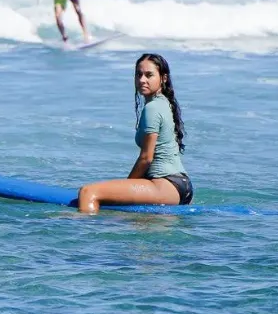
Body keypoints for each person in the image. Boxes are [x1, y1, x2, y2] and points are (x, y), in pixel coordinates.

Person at [77, 53, 192, 213]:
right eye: (139, 74)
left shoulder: (152, 108)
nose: (142, 80)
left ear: (163, 78)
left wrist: (127, 186)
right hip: (180, 185)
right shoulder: (165, 103)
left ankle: (87, 233)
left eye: (149, 75)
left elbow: (146, 158)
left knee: (88, 192)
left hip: (166, 184)